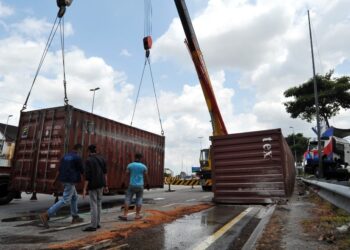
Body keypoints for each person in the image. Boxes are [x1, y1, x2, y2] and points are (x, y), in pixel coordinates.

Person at [39, 143, 84, 228]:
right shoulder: (77, 157)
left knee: (74, 197)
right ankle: (47, 214)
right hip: (70, 180)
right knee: (65, 200)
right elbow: (82, 170)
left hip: (64, 179)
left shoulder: (64, 157)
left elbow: (59, 170)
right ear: (79, 149)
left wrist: (54, 181)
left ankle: (75, 216)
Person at [82, 144, 108, 232]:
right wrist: (106, 185)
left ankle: (93, 226)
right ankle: (97, 223)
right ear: (96, 151)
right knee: (99, 204)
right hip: (101, 184)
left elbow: (87, 176)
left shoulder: (88, 160)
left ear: (89, 151)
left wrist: (84, 189)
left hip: (93, 185)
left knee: (93, 205)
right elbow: (105, 173)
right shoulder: (102, 159)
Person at [119, 153, 149, 221]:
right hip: (140, 185)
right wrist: (148, 184)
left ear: (135, 157)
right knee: (139, 199)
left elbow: (126, 174)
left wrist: (123, 182)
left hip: (131, 185)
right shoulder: (143, 166)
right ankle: (137, 215)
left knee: (128, 199)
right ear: (141, 158)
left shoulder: (130, 165)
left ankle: (125, 215)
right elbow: (146, 176)